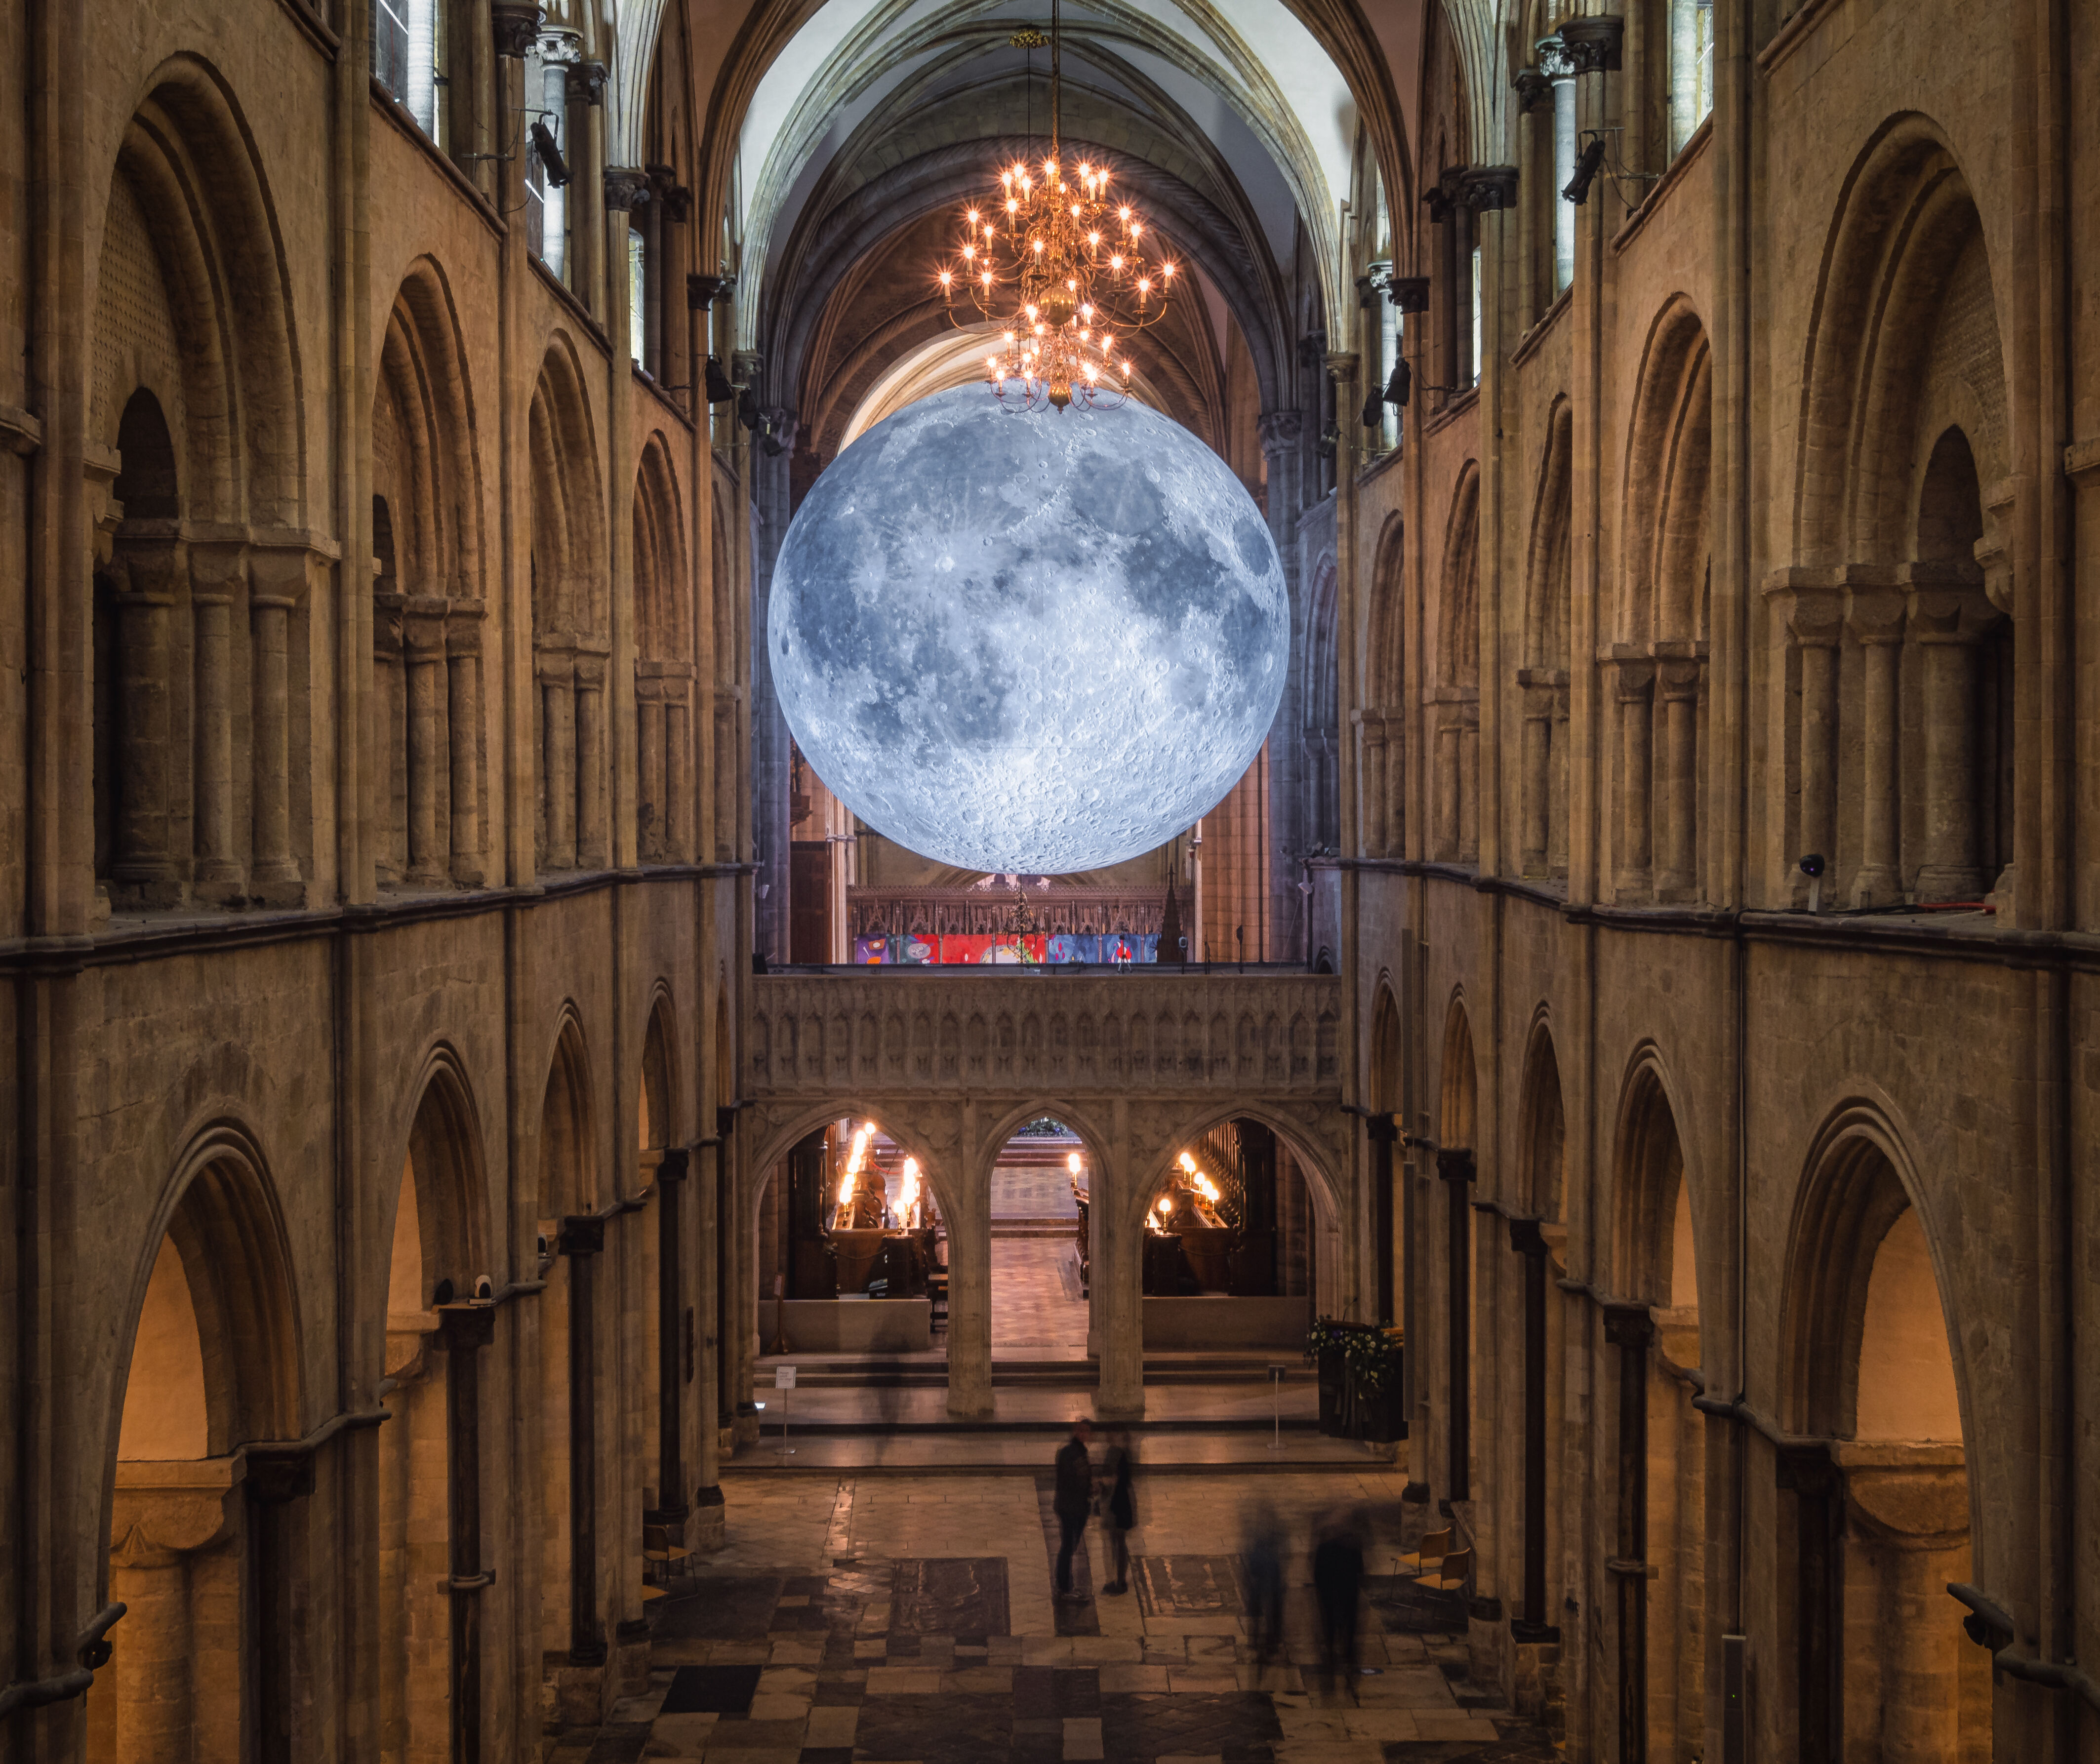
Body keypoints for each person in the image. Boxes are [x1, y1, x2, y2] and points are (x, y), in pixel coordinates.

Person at [1312, 1507, 1367, 1698]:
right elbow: (1361, 1570)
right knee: (1349, 1625)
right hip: (1348, 1592)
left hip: (1330, 1593)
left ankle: (1331, 1652)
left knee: (1330, 1624)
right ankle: (1348, 1654)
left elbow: (1318, 1574)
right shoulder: (1353, 1545)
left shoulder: (1325, 1547)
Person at [1242, 1498, 1286, 1678]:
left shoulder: (1268, 1535)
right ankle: (1258, 1645)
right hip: (1262, 1581)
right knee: (1259, 1614)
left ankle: (1267, 1645)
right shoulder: (1262, 1536)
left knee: (1269, 1614)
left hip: (1269, 1581)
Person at [1052, 1417, 1094, 1600]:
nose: (1083, 1434)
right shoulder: (1071, 1453)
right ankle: (1065, 1587)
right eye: (1081, 1430)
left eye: (1086, 1431)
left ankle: (1064, 1584)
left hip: (1074, 1506)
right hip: (1071, 1508)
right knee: (1068, 1547)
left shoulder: (1078, 1452)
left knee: (1069, 1547)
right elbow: (1071, 1480)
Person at [1100, 1429, 1137, 1594]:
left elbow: (1115, 1479)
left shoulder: (1118, 1454)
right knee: (1117, 1542)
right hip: (1120, 1503)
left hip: (1119, 1504)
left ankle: (1120, 1582)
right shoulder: (1122, 1453)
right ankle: (1118, 1579)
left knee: (1119, 1542)